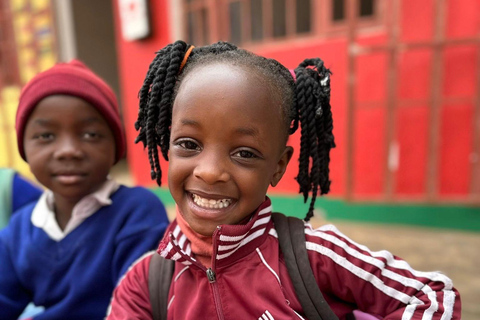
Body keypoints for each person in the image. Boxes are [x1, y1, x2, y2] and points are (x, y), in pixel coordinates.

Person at [106, 41, 461, 319]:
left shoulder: (313, 257)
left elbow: (431, 297)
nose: (210, 171)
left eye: (244, 152)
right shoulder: (147, 282)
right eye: (189, 144)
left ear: (277, 166)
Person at [0, 60, 170, 320]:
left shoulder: (138, 213)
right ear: (24, 148)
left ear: (116, 147)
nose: (69, 150)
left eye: (90, 135)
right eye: (46, 136)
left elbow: (138, 308)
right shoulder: (19, 230)